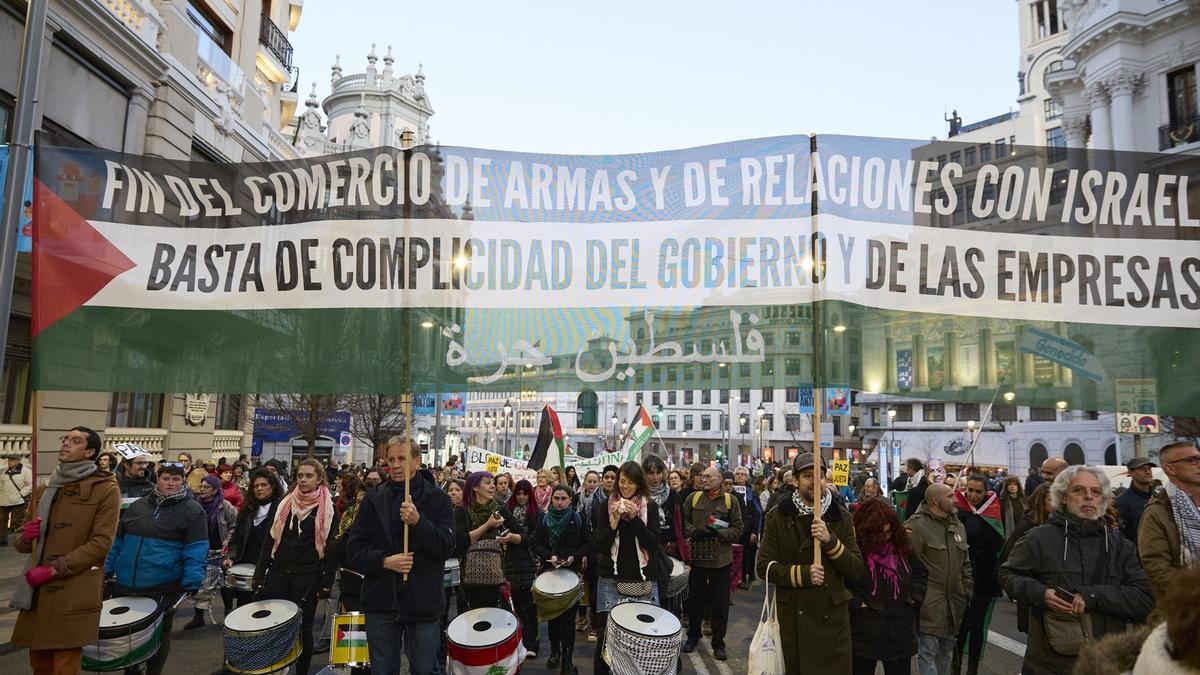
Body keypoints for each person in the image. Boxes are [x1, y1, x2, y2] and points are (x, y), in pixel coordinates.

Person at [1000, 465, 1154, 675]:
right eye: (1079, 490)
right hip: (1050, 663)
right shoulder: (1040, 537)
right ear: (1063, 497)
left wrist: (1091, 596)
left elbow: (1145, 597)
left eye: (1096, 492)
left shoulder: (1121, 546)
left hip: (1107, 662)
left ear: (1104, 499)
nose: (1089, 497)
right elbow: (1008, 574)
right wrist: (1041, 594)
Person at [12, 427, 120, 675]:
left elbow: (101, 543)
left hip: (73, 589)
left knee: (64, 665)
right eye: (66, 439)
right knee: (39, 663)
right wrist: (26, 538)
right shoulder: (46, 489)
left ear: (89, 452)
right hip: (37, 592)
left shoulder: (105, 489)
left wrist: (53, 570)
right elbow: (20, 539)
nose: (66, 444)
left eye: (75, 441)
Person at [347, 437, 455, 675]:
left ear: (417, 461)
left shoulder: (438, 499)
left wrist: (419, 522)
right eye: (391, 459)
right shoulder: (373, 499)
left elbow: (446, 546)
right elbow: (354, 550)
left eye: (402, 459)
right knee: (383, 669)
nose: (395, 465)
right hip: (381, 600)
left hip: (423, 601)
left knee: (425, 668)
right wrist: (385, 561)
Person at [755, 451, 865, 674]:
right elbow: (763, 566)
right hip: (794, 619)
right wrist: (803, 575)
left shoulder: (841, 517)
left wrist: (829, 541)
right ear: (794, 480)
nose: (815, 482)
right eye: (807, 475)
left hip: (832, 622)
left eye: (820, 475)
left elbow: (856, 569)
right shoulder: (778, 516)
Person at [105, 461, 206, 675]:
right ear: (157, 479)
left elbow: (196, 549)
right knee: (129, 634)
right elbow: (117, 543)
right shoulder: (138, 506)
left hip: (163, 586)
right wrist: (106, 568)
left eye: (176, 479)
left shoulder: (192, 510)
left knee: (158, 635)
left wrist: (192, 581)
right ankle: (131, 670)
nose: (170, 483)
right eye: (166, 478)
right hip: (126, 583)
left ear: (183, 481)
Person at [254, 459, 336, 675]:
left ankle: (301, 671)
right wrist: (259, 574)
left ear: (319, 479)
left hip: (307, 577)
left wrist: (326, 583)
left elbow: (331, 550)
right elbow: (270, 540)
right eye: (300, 475)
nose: (303, 479)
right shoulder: (285, 503)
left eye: (309, 476)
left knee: (303, 628)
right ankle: (276, 669)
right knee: (274, 626)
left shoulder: (327, 507)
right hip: (279, 573)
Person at [593, 461, 663, 675]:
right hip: (610, 580)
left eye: (630, 483)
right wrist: (613, 523)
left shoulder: (648, 506)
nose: (625, 486)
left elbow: (652, 542)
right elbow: (600, 546)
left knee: (644, 634)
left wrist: (634, 519)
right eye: (622, 481)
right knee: (607, 636)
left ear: (638, 484)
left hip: (642, 580)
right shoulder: (606, 505)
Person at [848, 498, 928, 675]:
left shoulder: (902, 546)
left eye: (889, 532)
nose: (886, 537)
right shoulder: (855, 550)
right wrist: (856, 603)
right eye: (881, 533)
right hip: (863, 633)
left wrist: (914, 597)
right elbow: (841, 582)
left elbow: (920, 572)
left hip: (900, 633)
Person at [906, 483, 972, 675]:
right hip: (928, 604)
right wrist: (915, 596)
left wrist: (966, 590)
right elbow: (907, 565)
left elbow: (965, 563)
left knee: (945, 653)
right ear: (935, 500)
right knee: (927, 653)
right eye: (950, 496)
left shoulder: (958, 526)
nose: (956, 499)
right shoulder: (916, 526)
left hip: (954, 605)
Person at [681, 464, 743, 659]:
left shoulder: (730, 501)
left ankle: (718, 642)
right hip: (698, 560)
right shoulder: (693, 498)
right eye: (702, 477)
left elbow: (738, 529)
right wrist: (694, 532)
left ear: (719, 480)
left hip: (721, 561)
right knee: (695, 601)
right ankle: (693, 636)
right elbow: (683, 522)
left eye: (708, 477)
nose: (704, 480)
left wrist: (720, 533)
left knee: (720, 603)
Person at [1138, 440, 1200, 624]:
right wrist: (1193, 590)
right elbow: (1155, 565)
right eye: (1192, 460)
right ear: (1170, 469)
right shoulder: (1158, 512)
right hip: (1181, 615)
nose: (1199, 464)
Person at [532, 484, 591, 674]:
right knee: (553, 617)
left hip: (571, 575)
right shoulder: (544, 518)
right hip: (549, 574)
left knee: (567, 618)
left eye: (563, 498)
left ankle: (567, 659)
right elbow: (536, 544)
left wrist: (573, 556)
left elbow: (588, 544)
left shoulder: (577, 518)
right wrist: (550, 556)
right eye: (556, 498)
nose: (558, 502)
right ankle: (555, 651)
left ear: (570, 499)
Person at [953, 474, 1006, 675]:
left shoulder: (993, 510)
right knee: (960, 625)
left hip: (984, 577)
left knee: (977, 625)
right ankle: (955, 664)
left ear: (986, 492)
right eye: (970, 490)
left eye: (978, 491)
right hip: (960, 575)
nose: (973, 495)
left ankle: (972, 668)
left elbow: (1000, 542)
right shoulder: (958, 510)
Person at [453, 470, 525, 610]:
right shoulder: (462, 511)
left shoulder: (500, 511)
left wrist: (510, 537)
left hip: (496, 582)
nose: (493, 486)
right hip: (469, 582)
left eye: (493, 483)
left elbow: (525, 537)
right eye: (487, 483)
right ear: (475, 487)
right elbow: (461, 541)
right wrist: (488, 525)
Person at [222, 469, 282, 610]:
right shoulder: (248, 509)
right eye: (256, 486)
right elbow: (237, 538)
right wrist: (231, 556)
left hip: (269, 569)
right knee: (243, 609)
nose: (259, 488)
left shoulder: (281, 509)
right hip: (245, 566)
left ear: (272, 487)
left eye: (264, 485)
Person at [186, 475, 238, 629]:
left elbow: (235, 525)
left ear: (215, 490)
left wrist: (228, 543)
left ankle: (229, 615)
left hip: (221, 550)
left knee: (224, 584)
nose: (202, 489)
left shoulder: (225, 506)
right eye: (201, 486)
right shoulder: (195, 505)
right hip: (202, 551)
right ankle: (198, 617)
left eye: (207, 487)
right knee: (201, 583)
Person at [1001, 482, 1053, 634]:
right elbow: (1010, 556)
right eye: (1051, 500)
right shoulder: (1029, 525)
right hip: (1033, 590)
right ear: (1041, 502)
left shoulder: (1059, 524)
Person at [507, 479, 543, 657]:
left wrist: (516, 537)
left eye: (525, 493)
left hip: (529, 563)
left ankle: (532, 644)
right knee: (515, 607)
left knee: (529, 607)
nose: (521, 497)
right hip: (510, 563)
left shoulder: (537, 513)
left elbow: (534, 540)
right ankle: (518, 642)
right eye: (519, 493)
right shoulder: (507, 510)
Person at [643, 455, 682, 560]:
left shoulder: (673, 495)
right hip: (646, 548)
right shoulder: (640, 495)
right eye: (651, 473)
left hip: (670, 549)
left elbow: (680, 524)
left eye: (658, 473)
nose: (655, 477)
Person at [1114, 456, 1156, 547]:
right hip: (1139, 555)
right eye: (1142, 469)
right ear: (1131, 473)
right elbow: (1121, 536)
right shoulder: (1122, 502)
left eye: (1149, 468)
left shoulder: (1159, 497)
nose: (1148, 472)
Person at [733, 465, 763, 589]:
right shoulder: (730, 489)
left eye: (743, 474)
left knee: (746, 554)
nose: (740, 476)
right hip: (733, 529)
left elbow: (758, 512)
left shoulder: (751, 491)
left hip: (748, 529)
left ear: (746, 477)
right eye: (738, 474)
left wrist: (756, 531)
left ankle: (743, 578)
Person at [1, 452, 33, 545]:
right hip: (4, 500)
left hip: (18, 501)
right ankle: (2, 539)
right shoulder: (4, 471)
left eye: (12, 460)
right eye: (9, 460)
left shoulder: (26, 471)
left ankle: (21, 539)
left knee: (17, 521)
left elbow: (31, 484)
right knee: (2, 520)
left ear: (18, 461)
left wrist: (21, 494)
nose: (9, 462)